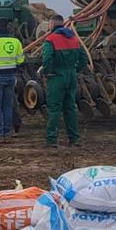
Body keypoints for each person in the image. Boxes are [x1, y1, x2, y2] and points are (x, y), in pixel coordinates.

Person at [41, 14, 85, 148]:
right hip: (71, 75)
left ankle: (52, 140)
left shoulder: (51, 39)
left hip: (57, 76)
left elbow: (47, 58)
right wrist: (75, 69)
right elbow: (83, 58)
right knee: (70, 108)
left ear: (52, 25)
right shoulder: (74, 39)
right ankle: (74, 139)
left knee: (54, 108)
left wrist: (47, 71)